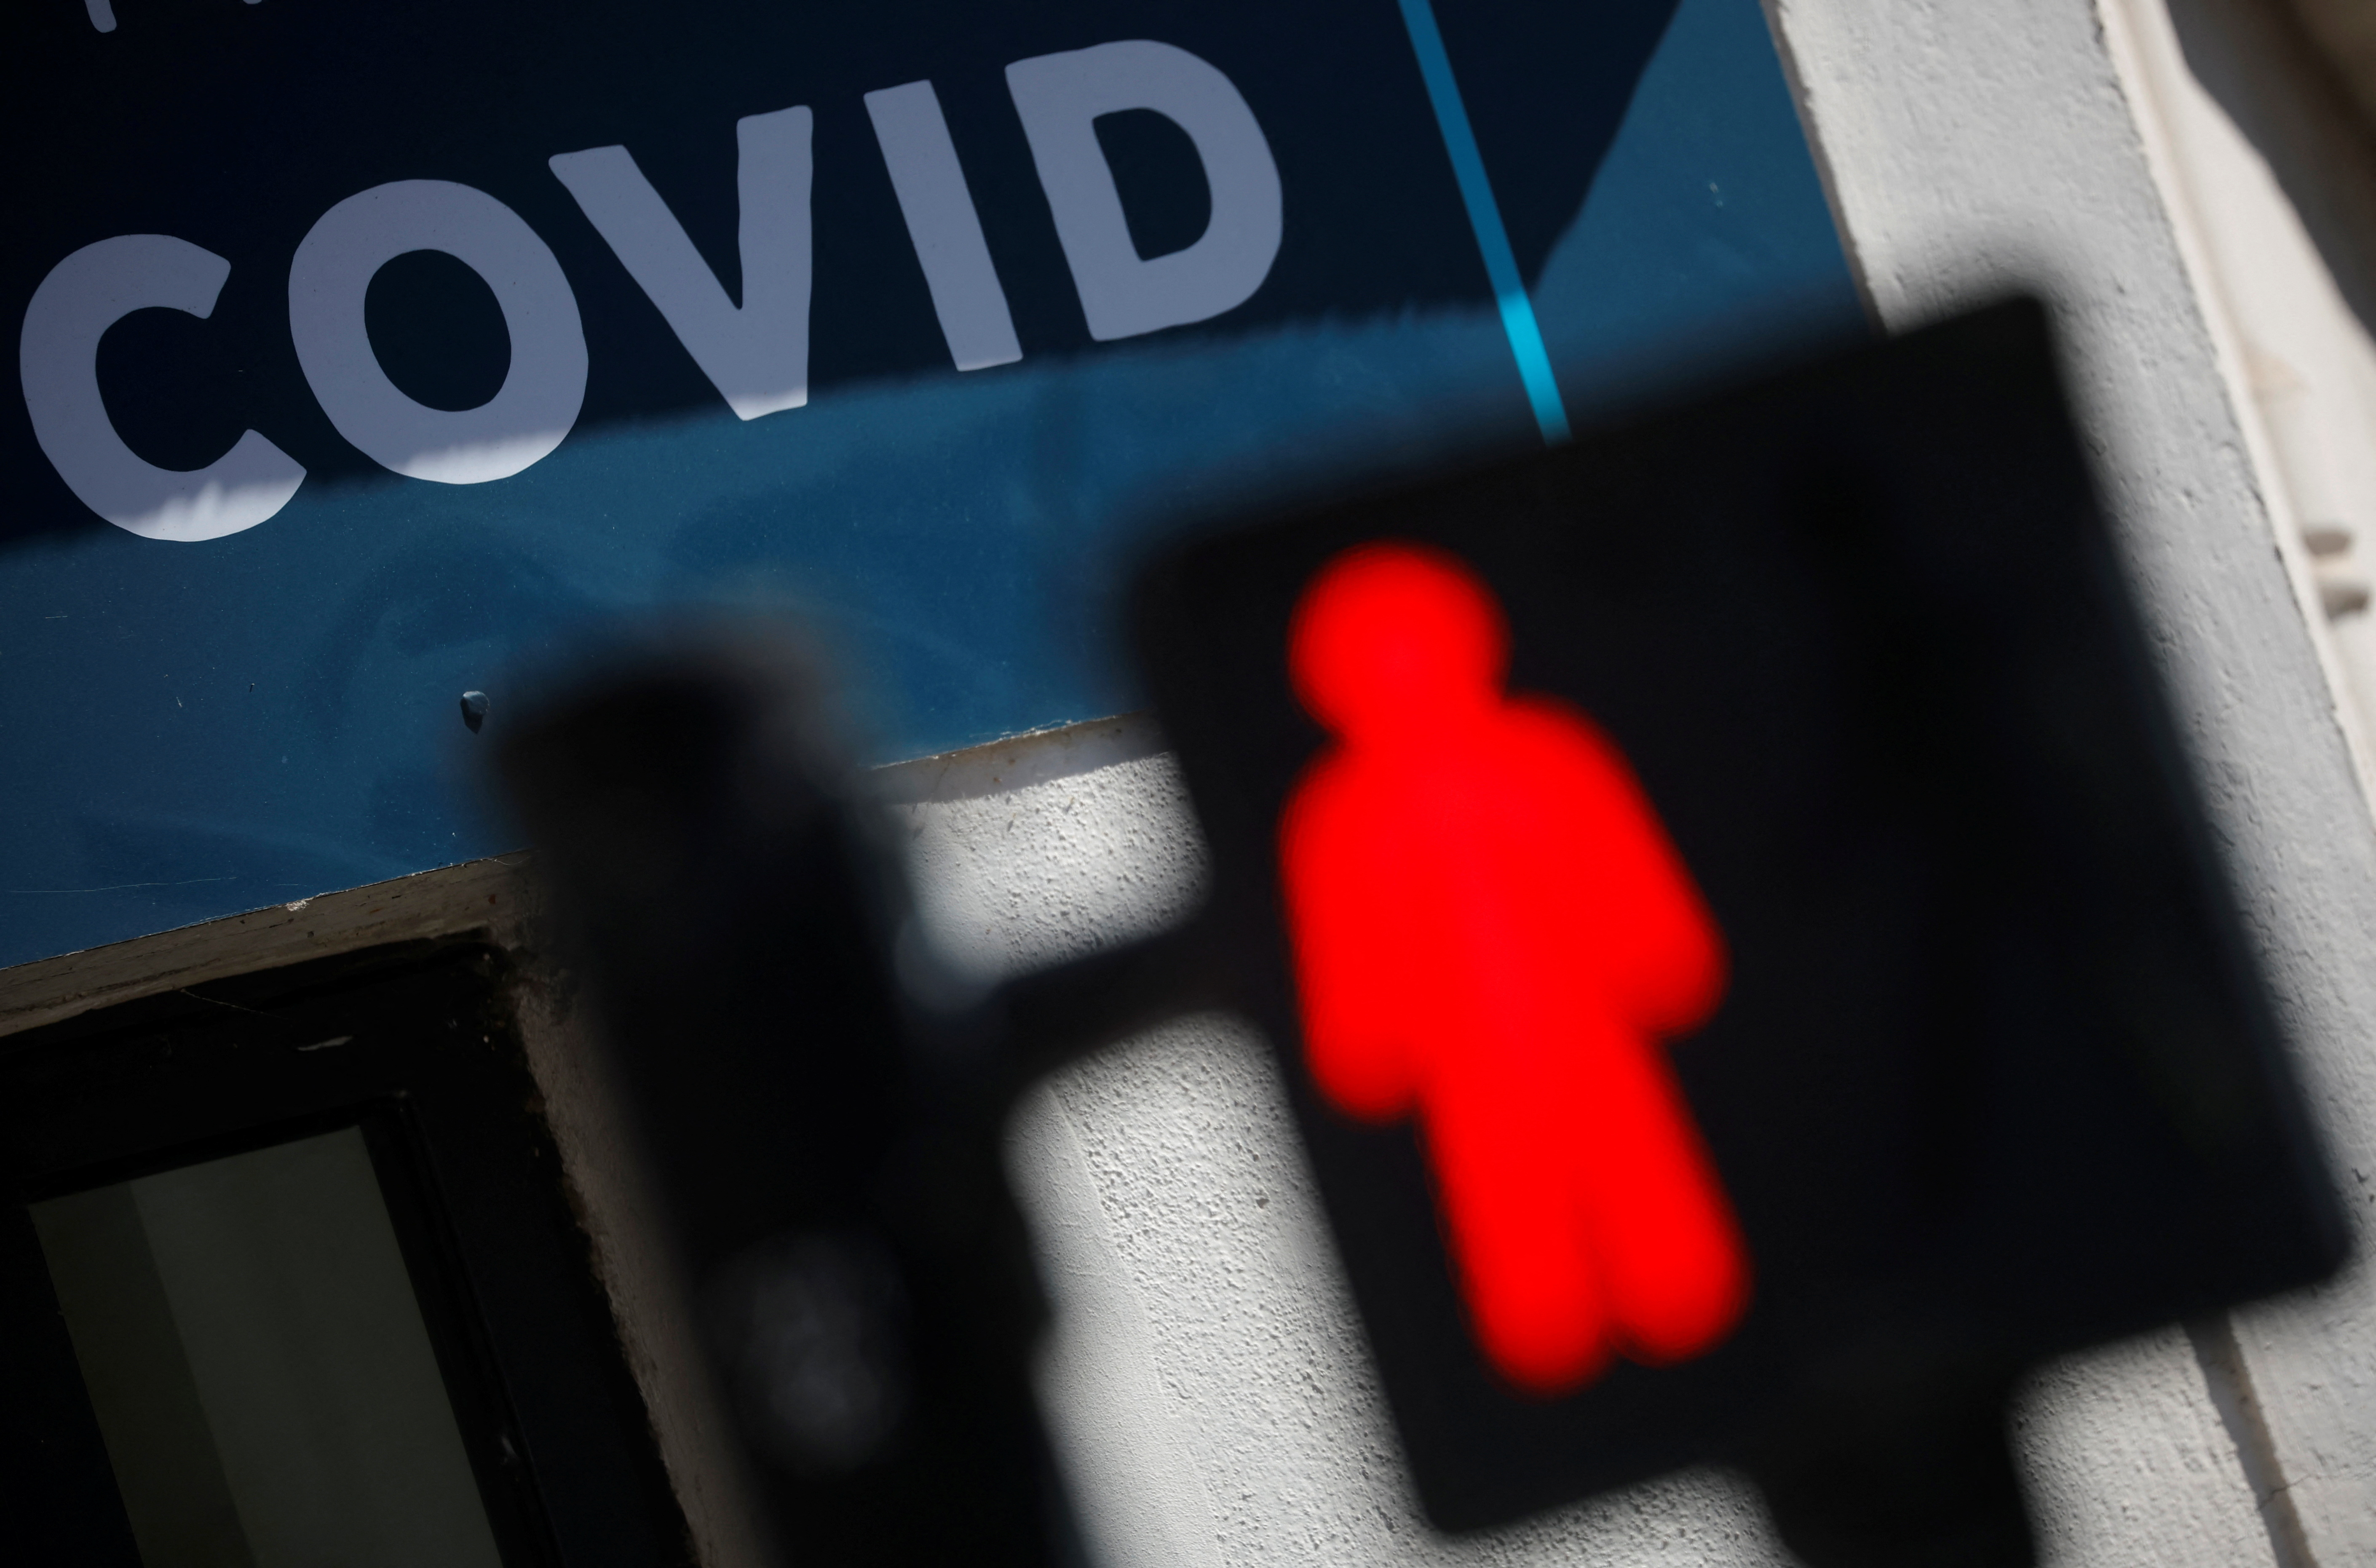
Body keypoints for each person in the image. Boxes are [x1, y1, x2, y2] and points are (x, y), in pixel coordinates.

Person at [1279, 541, 1750, 1393]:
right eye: (1380, 658)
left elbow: (1627, 866)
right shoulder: (1337, 818)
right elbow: (1341, 955)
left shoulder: (1549, 753)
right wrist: (1362, 1039)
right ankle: (1550, 1331)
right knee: (1515, 1218)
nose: (1406, 675)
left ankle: (1676, 1293)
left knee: (1640, 1180)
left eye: (1419, 645)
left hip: (1589, 1022)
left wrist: (1664, 952)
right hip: (1464, 1060)